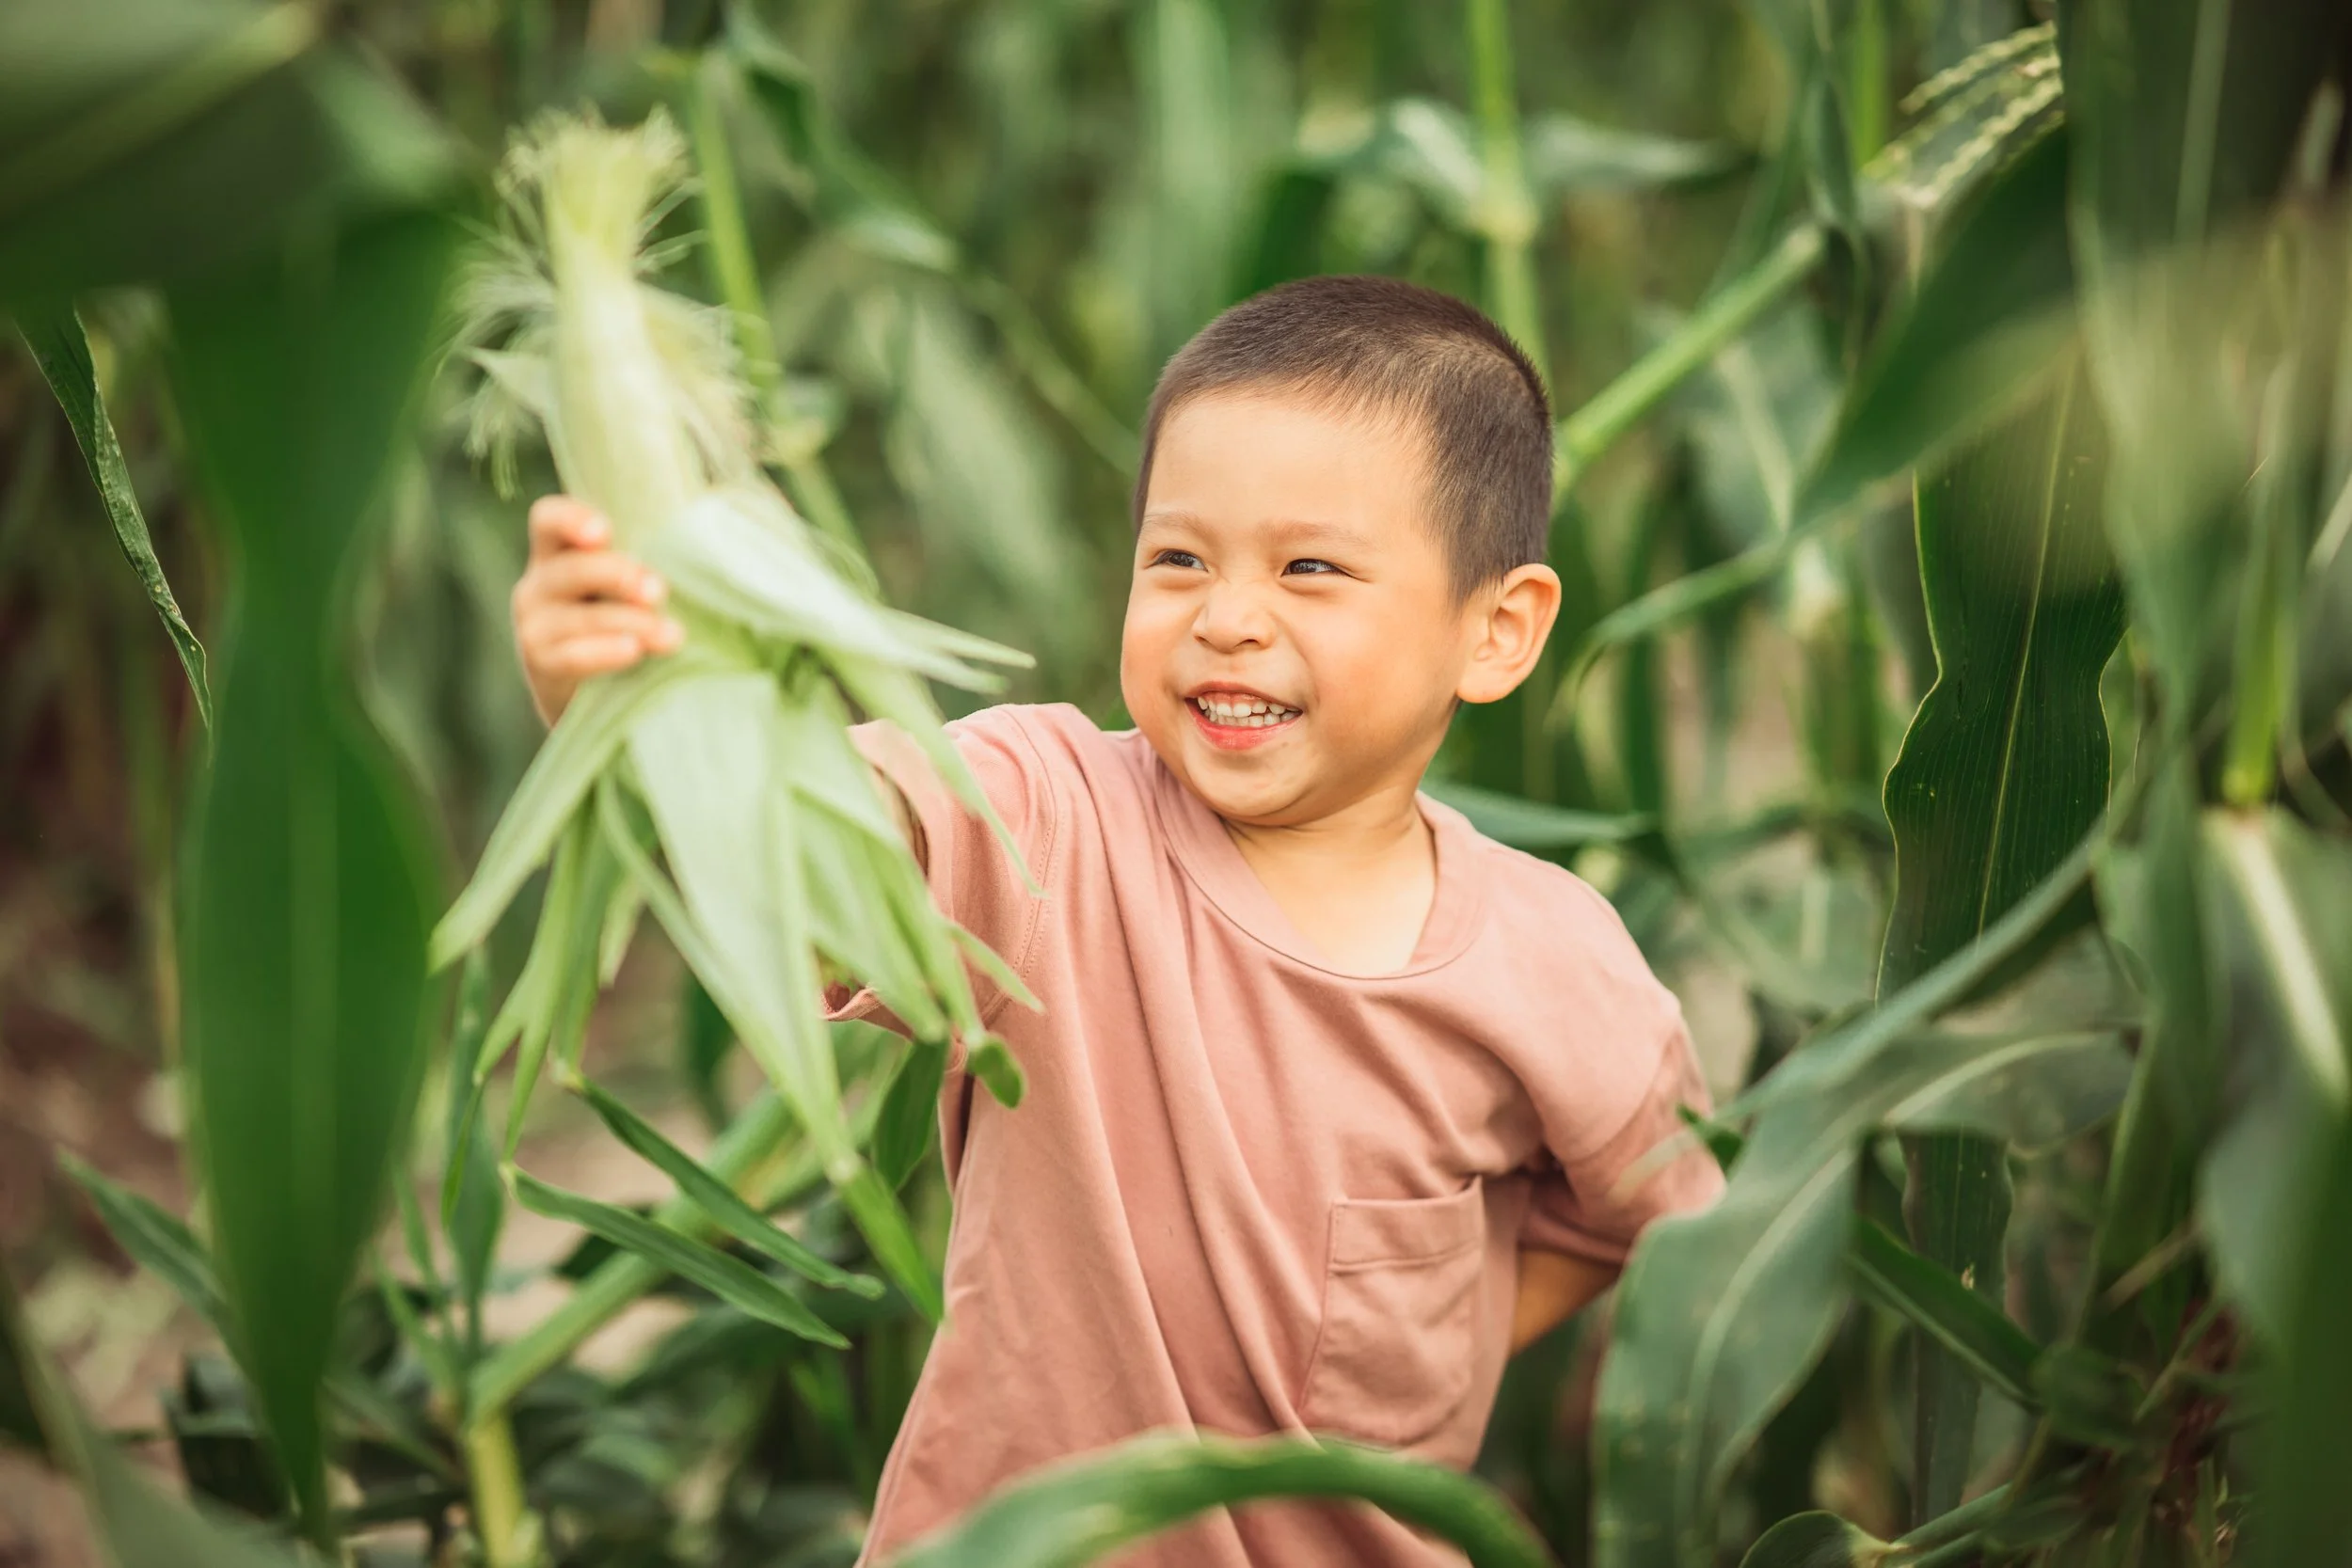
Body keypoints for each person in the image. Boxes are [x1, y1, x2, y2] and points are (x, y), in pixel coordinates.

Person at [508, 275, 1724, 1565]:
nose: (1228, 616)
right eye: (1178, 558)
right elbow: (806, 852)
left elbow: (1655, 1210)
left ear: (1496, 632)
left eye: (1309, 567)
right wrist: (634, 708)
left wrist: (1448, 1333)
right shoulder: (1045, 817)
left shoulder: (1556, 961)